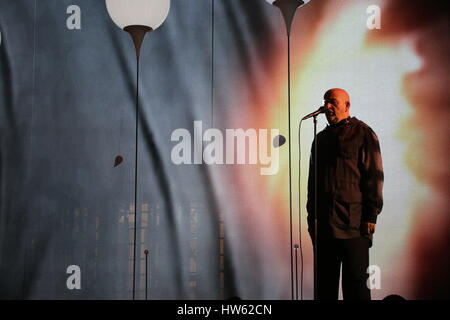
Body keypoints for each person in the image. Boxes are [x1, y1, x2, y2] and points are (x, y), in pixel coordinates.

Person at [307, 88, 384, 300]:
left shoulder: (363, 133)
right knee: (324, 287)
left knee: (356, 287)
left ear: (347, 106)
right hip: (324, 227)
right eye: (325, 102)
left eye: (333, 101)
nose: (327, 106)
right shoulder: (320, 139)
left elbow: (374, 175)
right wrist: (310, 216)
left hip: (354, 224)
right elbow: (312, 182)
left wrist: (371, 215)